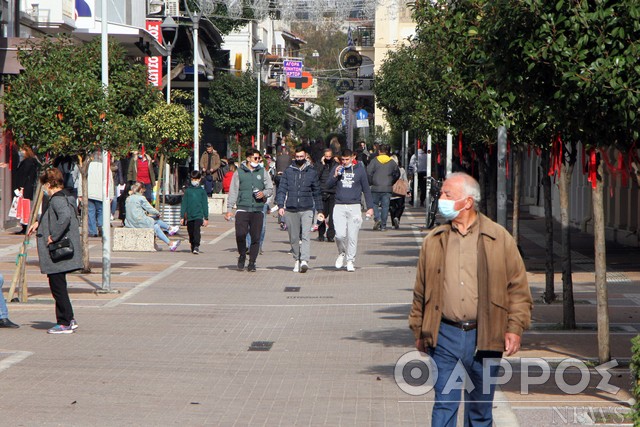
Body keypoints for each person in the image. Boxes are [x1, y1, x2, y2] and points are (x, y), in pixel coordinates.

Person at [408, 172, 532, 426]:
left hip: (486, 335)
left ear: (467, 202)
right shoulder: (434, 241)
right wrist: (419, 329)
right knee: (444, 403)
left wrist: (515, 328)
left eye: (447, 194)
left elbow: (518, 289)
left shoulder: (499, 238)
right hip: (445, 335)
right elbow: (420, 290)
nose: (440, 198)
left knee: (480, 409)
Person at [27, 168, 82, 334]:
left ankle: (64, 322)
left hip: (57, 251)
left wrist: (54, 236)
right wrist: (39, 223)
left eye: (44, 185)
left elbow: (64, 217)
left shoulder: (57, 199)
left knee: (57, 287)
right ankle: (69, 318)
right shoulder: (64, 197)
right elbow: (55, 216)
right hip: (60, 251)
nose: (43, 188)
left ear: (50, 184)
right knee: (59, 286)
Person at [275, 145, 324, 273]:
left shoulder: (311, 172)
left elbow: (317, 192)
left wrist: (320, 210)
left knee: (306, 235)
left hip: (307, 208)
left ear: (305, 156)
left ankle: (304, 260)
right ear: (294, 157)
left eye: (301, 156)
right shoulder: (288, 171)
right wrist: (280, 206)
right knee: (294, 237)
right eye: (297, 157)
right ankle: (296, 259)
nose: (299, 159)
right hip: (291, 209)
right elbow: (282, 189)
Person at [225, 149, 273, 272]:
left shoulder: (263, 172)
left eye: (259, 158)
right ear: (248, 158)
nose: (258, 161)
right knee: (240, 234)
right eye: (255, 158)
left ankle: (252, 262)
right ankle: (242, 255)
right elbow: (233, 191)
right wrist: (229, 209)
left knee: (255, 237)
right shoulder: (239, 172)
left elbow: (270, 189)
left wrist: (264, 193)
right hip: (242, 208)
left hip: (257, 209)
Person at [325, 149, 374, 272]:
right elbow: (328, 185)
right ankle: (341, 253)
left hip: (354, 206)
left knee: (352, 236)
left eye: (347, 159)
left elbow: (366, 189)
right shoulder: (338, 168)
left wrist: (370, 207)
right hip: (339, 206)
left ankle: (350, 260)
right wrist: (335, 175)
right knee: (340, 235)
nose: (345, 162)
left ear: (353, 158)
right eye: (343, 160)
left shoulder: (360, 170)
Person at [125, 182, 180, 252]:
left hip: (129, 222)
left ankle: (170, 243)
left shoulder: (128, 198)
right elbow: (150, 209)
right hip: (138, 221)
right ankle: (169, 229)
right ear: (141, 189)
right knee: (156, 220)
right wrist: (157, 213)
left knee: (155, 226)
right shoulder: (141, 198)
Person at [77, 151, 114, 237]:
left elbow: (81, 180)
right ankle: (101, 226)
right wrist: (111, 195)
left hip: (89, 193)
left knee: (90, 213)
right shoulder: (106, 168)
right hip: (102, 194)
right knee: (101, 211)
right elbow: (110, 182)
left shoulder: (86, 166)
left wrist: (80, 194)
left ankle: (92, 231)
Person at [367, 144, 399, 232]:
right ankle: (383, 226)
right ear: (387, 152)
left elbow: (369, 172)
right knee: (385, 207)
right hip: (387, 188)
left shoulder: (374, 161)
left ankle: (377, 218)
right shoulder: (392, 162)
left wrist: (371, 182)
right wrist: (392, 182)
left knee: (374, 204)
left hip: (375, 187)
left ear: (379, 151)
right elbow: (397, 174)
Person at [180, 171, 209, 254]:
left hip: (198, 215)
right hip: (189, 216)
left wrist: (206, 217)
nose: (194, 181)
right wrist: (182, 216)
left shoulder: (202, 191)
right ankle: (192, 244)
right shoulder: (188, 191)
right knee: (190, 231)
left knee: (196, 230)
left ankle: (196, 245)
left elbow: (204, 204)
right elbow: (184, 204)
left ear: (199, 179)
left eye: (196, 179)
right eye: (193, 179)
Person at [12, 145, 39, 234]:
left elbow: (24, 175)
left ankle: (26, 226)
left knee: (25, 207)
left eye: (22, 150)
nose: (21, 152)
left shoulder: (28, 162)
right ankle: (25, 226)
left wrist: (21, 187)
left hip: (25, 188)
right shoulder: (29, 161)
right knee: (24, 207)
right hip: (26, 187)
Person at [317, 148, 338, 242]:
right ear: (323, 156)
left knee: (333, 216)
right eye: (326, 156)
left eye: (330, 156)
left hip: (333, 192)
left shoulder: (335, 164)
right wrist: (322, 164)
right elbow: (317, 175)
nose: (328, 158)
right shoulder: (320, 164)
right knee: (322, 215)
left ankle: (330, 235)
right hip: (322, 192)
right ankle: (321, 234)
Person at [389, 155, 409, 229]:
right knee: (401, 206)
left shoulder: (387, 170)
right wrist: (408, 190)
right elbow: (405, 180)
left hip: (391, 190)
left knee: (391, 208)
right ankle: (397, 217)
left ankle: (393, 224)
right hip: (400, 190)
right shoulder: (402, 170)